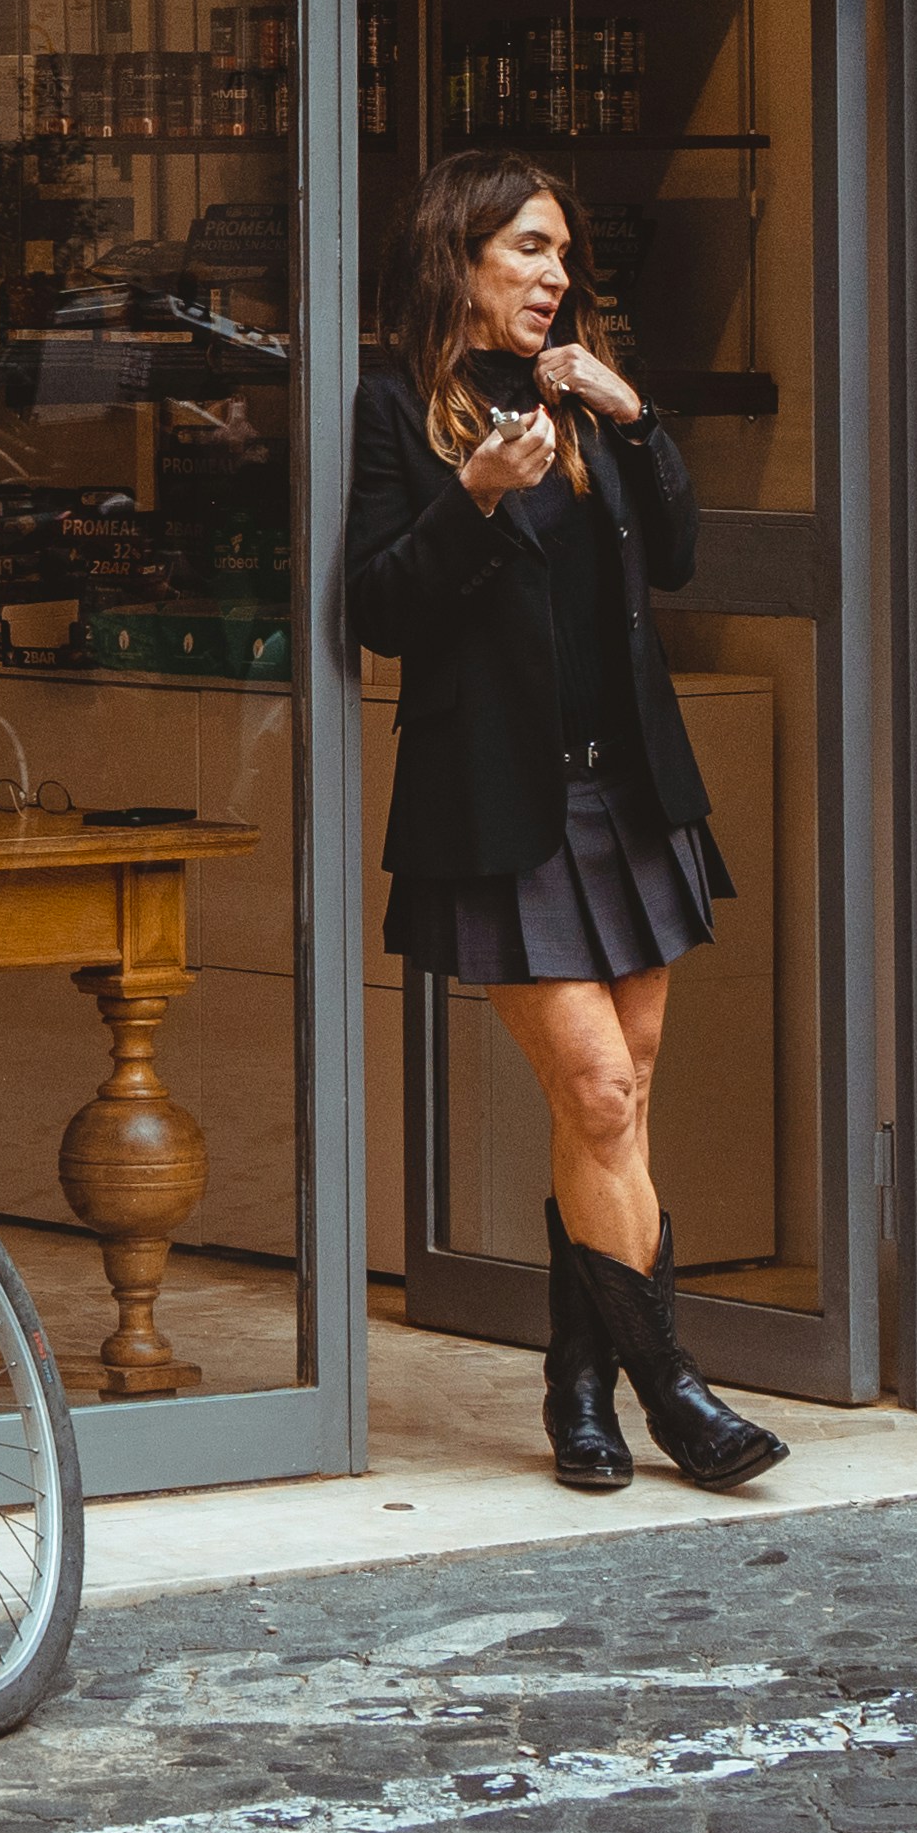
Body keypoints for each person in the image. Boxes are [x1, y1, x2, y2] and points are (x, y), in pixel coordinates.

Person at [343, 147, 786, 1496]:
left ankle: (576, 1387)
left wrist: (632, 410)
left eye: (557, 252)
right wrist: (474, 499)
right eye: (524, 249)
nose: (550, 274)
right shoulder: (389, 406)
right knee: (596, 1089)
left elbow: (678, 549)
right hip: (501, 801)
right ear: (459, 257)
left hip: (625, 789)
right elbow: (377, 609)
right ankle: (679, 1396)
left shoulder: (581, 399)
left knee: (618, 1100)